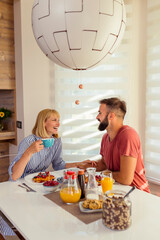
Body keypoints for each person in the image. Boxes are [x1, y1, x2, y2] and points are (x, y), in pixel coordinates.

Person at [80, 97, 150, 193]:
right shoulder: (105, 137)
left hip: (136, 192)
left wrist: (102, 174)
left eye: (100, 113)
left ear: (111, 116)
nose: (97, 117)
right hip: (117, 191)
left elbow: (126, 179)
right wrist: (84, 166)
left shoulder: (128, 135)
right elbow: (104, 164)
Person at [9, 108, 78, 181]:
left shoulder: (56, 142)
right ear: (43, 122)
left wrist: (79, 164)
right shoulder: (28, 142)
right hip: (21, 184)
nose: (58, 124)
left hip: (39, 182)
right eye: (54, 120)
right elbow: (14, 176)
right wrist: (29, 151)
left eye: (58, 120)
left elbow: (58, 165)